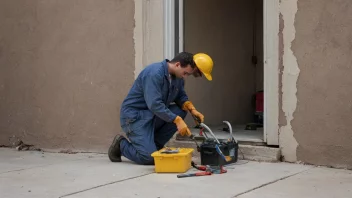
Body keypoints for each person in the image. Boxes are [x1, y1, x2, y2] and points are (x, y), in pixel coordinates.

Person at [108, 52, 214, 165]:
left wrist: (191, 108)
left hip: (152, 116)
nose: (185, 76)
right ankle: (121, 145)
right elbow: (154, 105)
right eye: (185, 73)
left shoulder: (178, 77)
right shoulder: (154, 73)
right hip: (135, 118)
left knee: (180, 110)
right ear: (177, 65)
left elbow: (180, 96)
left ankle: (154, 146)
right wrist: (176, 120)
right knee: (149, 158)